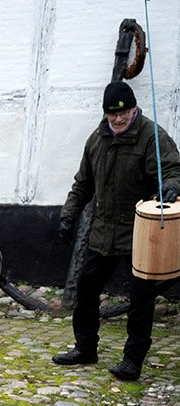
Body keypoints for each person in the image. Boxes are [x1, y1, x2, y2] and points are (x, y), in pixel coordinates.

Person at [52, 80, 180, 381]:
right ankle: (85, 348)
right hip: (104, 230)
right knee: (86, 290)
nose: (119, 120)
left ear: (133, 110)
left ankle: (133, 360)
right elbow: (82, 184)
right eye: (113, 115)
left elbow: (174, 169)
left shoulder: (152, 137)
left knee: (141, 300)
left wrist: (171, 186)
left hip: (141, 231)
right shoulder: (96, 140)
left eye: (124, 113)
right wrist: (68, 216)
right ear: (106, 114)